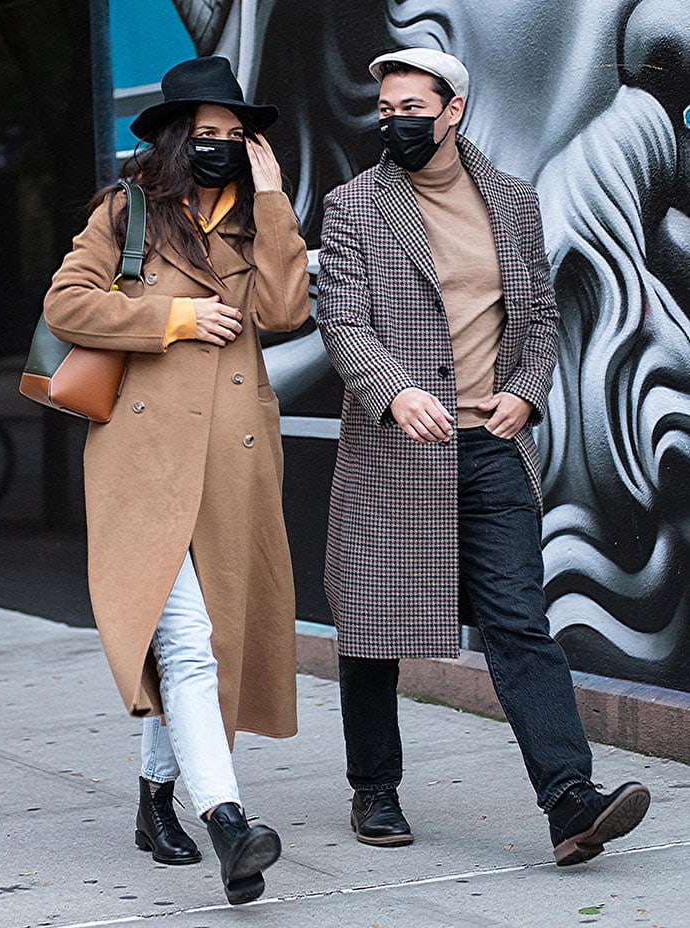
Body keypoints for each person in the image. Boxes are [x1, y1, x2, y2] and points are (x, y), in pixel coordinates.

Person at [315, 46, 650, 866]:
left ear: (452, 109)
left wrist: (529, 391)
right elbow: (343, 320)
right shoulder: (353, 205)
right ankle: (376, 788)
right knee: (371, 630)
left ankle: (570, 801)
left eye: (409, 107)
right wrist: (392, 389)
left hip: (492, 449)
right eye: (384, 107)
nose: (393, 120)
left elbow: (539, 315)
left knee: (518, 624)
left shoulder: (511, 199)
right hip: (396, 449)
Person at [44, 55, 309, 904]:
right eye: (208, 136)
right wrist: (176, 318)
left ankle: (157, 796)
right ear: (173, 138)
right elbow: (66, 305)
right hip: (143, 459)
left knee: (206, 643)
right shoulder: (127, 213)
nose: (223, 148)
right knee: (189, 642)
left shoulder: (254, 220)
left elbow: (284, 310)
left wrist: (271, 201)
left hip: (231, 461)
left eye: (238, 137)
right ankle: (226, 819)